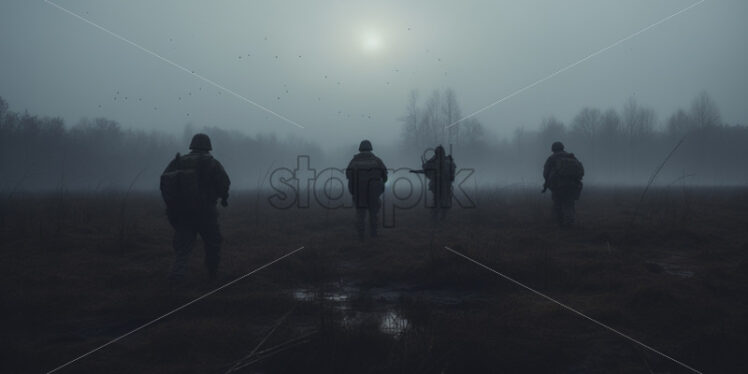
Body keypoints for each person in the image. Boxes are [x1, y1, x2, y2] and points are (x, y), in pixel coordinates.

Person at [160, 133, 230, 281]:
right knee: (212, 244)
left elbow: (165, 183)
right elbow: (224, 183)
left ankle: (176, 279)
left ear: (192, 145)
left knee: (182, 249)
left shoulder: (178, 161)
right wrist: (222, 197)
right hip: (206, 212)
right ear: (208, 146)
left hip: (182, 213)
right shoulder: (212, 162)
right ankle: (212, 276)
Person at [346, 140, 388, 240]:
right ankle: (374, 235)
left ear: (360, 148)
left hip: (359, 192)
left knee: (360, 214)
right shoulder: (377, 160)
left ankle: (361, 236)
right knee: (373, 213)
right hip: (374, 192)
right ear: (370, 148)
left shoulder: (354, 161)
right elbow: (385, 176)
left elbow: (348, 175)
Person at [543, 141, 584, 228]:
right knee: (569, 204)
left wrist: (547, 183)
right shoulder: (571, 156)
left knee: (558, 204)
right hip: (573, 185)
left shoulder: (552, 158)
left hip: (558, 186)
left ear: (553, 149)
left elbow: (546, 172)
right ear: (562, 147)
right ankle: (570, 223)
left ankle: (561, 224)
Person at [413, 145, 456, 221]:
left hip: (443, 185)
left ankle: (439, 216)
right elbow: (427, 169)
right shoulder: (437, 161)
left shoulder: (445, 162)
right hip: (438, 185)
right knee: (439, 200)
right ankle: (437, 216)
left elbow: (451, 175)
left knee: (442, 201)